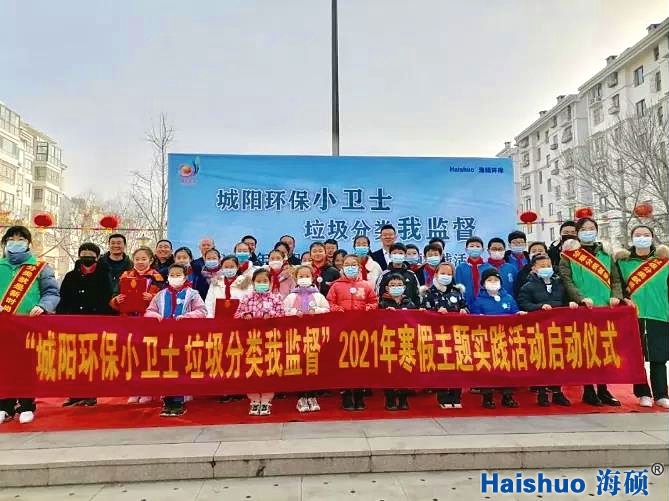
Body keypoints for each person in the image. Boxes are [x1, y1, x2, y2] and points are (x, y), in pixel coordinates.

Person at [559, 216, 623, 407]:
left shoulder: (606, 253)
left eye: (591, 228)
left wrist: (616, 296)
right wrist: (580, 298)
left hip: (605, 307)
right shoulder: (569, 254)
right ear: (577, 233)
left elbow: (615, 279)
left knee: (604, 350)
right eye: (584, 229)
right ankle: (588, 390)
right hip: (583, 308)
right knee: (586, 349)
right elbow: (567, 280)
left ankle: (603, 389)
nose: (588, 232)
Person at [0, 226, 59, 424]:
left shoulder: (40, 268)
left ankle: (26, 405)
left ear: (28, 243)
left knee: (26, 366)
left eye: (21, 239)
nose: (16, 243)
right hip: (3, 327)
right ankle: (5, 406)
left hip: (28, 326)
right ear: (5, 243)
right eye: (12, 239)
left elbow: (52, 293)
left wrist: (43, 306)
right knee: (4, 365)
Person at [613, 225, 669, 409]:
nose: (642, 238)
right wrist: (624, 299)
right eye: (638, 235)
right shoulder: (622, 262)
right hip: (632, 315)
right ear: (632, 238)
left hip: (659, 313)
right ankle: (643, 393)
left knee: (659, 356)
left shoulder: (664, 261)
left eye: (646, 234)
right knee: (636, 357)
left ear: (652, 237)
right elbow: (617, 286)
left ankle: (661, 394)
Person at [145, 264, 207, 417]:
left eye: (178, 275)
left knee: (180, 367)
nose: (175, 277)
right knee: (165, 368)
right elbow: (149, 311)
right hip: (164, 338)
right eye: (172, 275)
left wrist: (187, 317)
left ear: (185, 277)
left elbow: (202, 311)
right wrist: (155, 316)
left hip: (183, 337)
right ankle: (167, 400)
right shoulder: (160, 295)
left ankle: (179, 401)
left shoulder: (192, 294)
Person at [57, 243, 113, 408]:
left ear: (97, 257)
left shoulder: (104, 275)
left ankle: (90, 394)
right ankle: (74, 394)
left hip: (96, 323)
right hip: (73, 323)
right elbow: (63, 299)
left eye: (90, 254)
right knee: (74, 359)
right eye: (84, 254)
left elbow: (107, 298)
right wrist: (61, 318)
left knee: (92, 359)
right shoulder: (70, 276)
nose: (87, 257)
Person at [517, 254, 577, 407]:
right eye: (542, 266)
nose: (546, 268)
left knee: (558, 361)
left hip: (558, 329)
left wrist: (571, 304)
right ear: (534, 269)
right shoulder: (528, 286)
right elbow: (523, 303)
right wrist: (539, 307)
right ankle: (542, 392)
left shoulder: (559, 284)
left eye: (548, 265)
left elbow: (565, 300)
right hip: (539, 330)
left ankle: (557, 392)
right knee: (541, 361)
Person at [327, 255, 378, 410]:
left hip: (361, 330)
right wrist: (338, 310)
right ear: (342, 267)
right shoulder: (336, 286)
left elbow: (374, 302)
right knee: (344, 362)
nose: (350, 267)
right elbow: (329, 302)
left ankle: (359, 394)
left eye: (353, 264)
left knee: (360, 362)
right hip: (342, 330)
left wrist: (366, 309)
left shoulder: (366, 285)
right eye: (347, 264)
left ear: (359, 267)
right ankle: (346, 394)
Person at [470, 268, 525, 409]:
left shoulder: (508, 298)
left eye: (496, 280)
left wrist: (519, 314)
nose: (493, 282)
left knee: (507, 368)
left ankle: (507, 396)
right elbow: (474, 320)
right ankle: (487, 397)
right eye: (489, 280)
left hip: (506, 339)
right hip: (487, 341)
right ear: (483, 283)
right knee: (487, 369)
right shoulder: (478, 300)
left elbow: (515, 313)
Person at [235, 269, 286, 416]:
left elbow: (283, 316)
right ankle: (254, 399)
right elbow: (236, 315)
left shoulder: (276, 298)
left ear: (270, 283)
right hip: (251, 342)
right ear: (253, 282)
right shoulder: (246, 298)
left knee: (268, 370)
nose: (261, 283)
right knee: (252, 370)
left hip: (270, 341)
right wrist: (245, 315)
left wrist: (270, 315)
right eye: (258, 281)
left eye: (265, 281)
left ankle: (266, 400)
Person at [421, 262, 468, 409]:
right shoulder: (429, 292)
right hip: (437, 336)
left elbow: (465, 307)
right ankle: (443, 396)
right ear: (436, 274)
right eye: (443, 273)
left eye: (449, 274)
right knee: (441, 364)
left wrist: (464, 311)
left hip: (456, 334)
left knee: (457, 365)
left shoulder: (457, 292)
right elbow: (422, 313)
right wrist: (436, 312)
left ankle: (456, 396)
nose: (445, 276)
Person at [284, 265, 330, 412]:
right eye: (301, 276)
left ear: (313, 277)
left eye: (307, 276)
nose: (304, 279)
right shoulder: (291, 296)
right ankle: (301, 397)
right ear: (296, 278)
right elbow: (283, 312)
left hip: (314, 336)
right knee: (299, 365)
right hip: (296, 336)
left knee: (313, 365)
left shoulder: (318, 296)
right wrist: (293, 312)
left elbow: (328, 310)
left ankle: (312, 395)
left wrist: (316, 311)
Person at [379, 273, 417, 411]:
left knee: (405, 369)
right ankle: (390, 398)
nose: (396, 287)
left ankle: (403, 398)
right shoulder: (382, 303)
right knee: (389, 370)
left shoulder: (410, 303)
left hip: (406, 341)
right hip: (388, 341)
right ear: (387, 288)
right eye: (393, 285)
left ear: (404, 287)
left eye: (399, 285)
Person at [455, 236, 492, 307]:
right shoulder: (460, 268)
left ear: (482, 249)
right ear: (466, 249)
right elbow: (457, 289)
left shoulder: (489, 268)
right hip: (466, 305)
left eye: (478, 246)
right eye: (471, 246)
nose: (475, 248)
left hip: (485, 304)